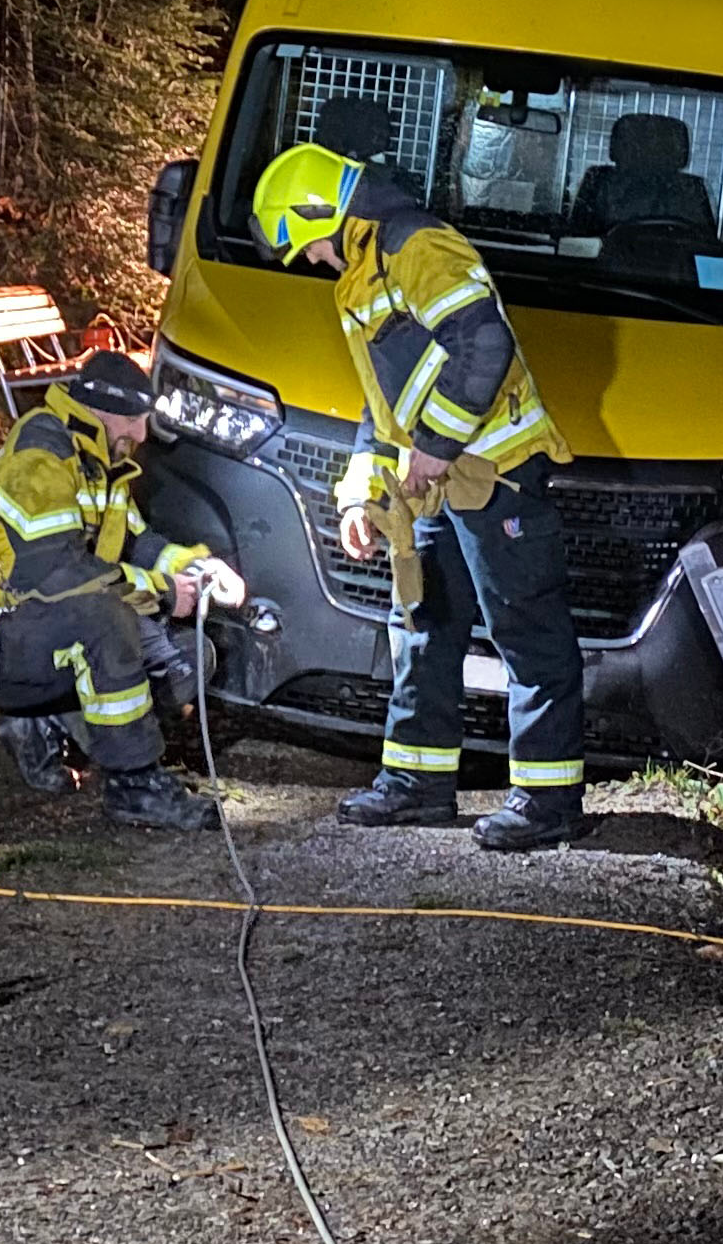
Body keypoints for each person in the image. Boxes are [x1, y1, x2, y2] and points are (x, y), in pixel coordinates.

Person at [246, 142, 589, 851]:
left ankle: (550, 802)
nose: (311, 263)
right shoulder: (365, 273)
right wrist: (360, 497)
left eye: (307, 248)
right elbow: (384, 405)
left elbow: (484, 345)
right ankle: (417, 785)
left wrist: (434, 445)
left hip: (498, 475)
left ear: (323, 215)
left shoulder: (417, 247)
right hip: (441, 484)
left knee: (527, 632)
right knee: (424, 624)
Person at [0, 349, 233, 831]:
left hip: (38, 630)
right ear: (105, 411)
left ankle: (40, 721)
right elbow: (54, 572)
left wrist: (201, 567)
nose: (141, 435)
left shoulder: (102, 464)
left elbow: (137, 542)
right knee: (106, 619)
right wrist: (161, 592)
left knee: (186, 656)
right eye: (136, 421)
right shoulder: (41, 455)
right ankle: (134, 785)